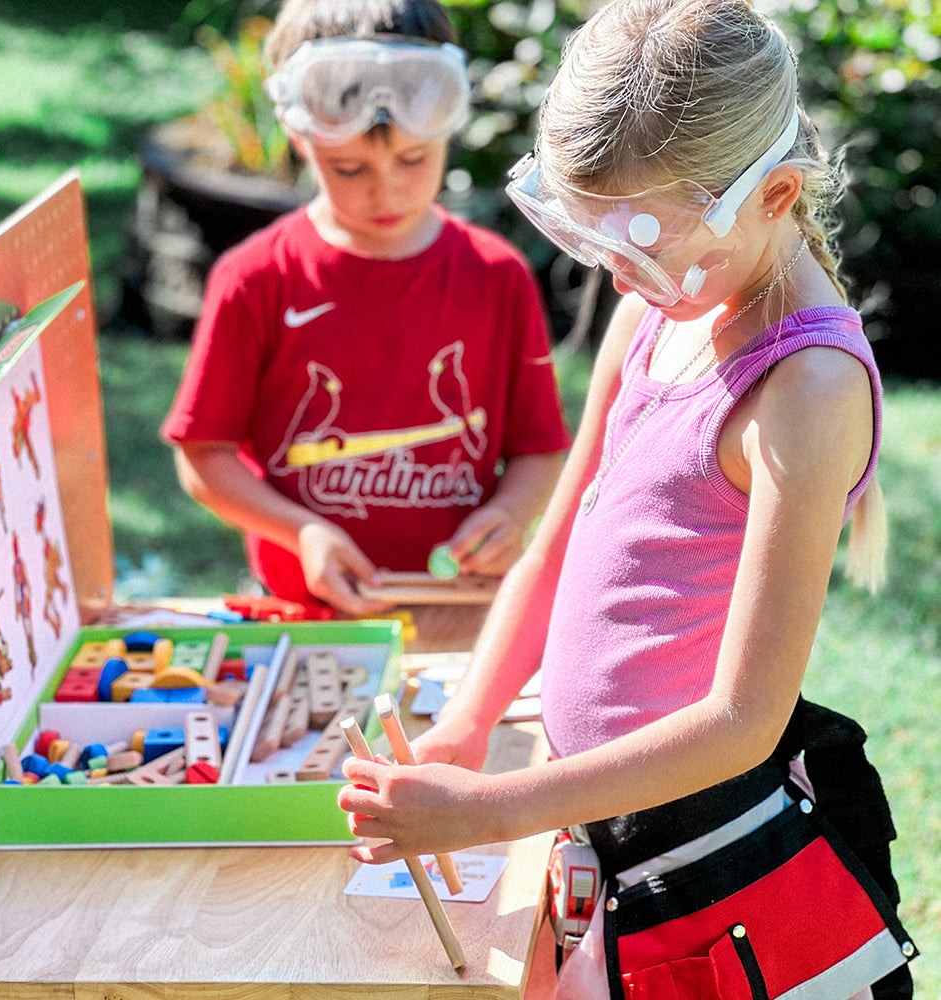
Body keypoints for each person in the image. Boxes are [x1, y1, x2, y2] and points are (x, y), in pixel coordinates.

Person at [339, 1, 916, 996]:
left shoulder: (806, 391)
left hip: (699, 860)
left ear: (774, 193)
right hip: (600, 832)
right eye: (596, 240)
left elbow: (741, 716)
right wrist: (471, 722)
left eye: (644, 247)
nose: (617, 276)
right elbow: (556, 544)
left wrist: (487, 811)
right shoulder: (658, 309)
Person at [161, 0, 570, 617]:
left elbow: (539, 451)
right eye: (349, 168)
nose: (387, 190)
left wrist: (509, 514)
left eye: (414, 159)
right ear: (300, 139)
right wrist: (301, 533)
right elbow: (203, 456)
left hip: (459, 610)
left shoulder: (497, 276)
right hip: (308, 614)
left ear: (445, 132)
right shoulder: (256, 279)